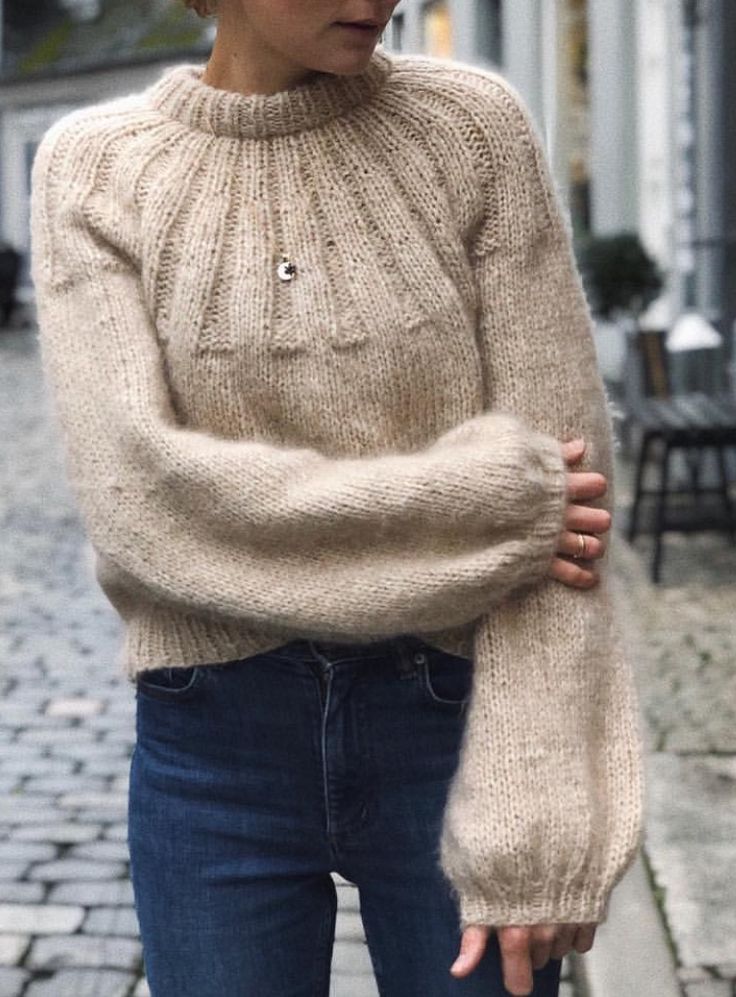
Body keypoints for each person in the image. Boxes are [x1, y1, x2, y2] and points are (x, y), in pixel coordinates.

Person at [29, 1, 645, 995]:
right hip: (212, 739)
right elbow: (140, 498)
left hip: (452, 723)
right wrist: (494, 502)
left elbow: (571, 516)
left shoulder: (473, 131)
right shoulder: (92, 170)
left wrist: (547, 804)